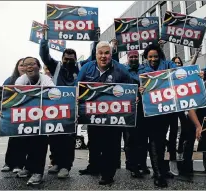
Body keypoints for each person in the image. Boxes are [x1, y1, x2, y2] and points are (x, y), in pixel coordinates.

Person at [39, 24, 95, 179]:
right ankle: (56, 162)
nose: (69, 61)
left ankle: (66, 166)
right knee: (55, 136)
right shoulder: (55, 66)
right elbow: (44, 55)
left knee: (69, 139)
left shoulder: (80, 66)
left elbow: (93, 57)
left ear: (76, 59)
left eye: (71, 59)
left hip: (73, 109)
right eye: (66, 59)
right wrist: (45, 37)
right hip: (55, 107)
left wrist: (95, 39)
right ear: (62, 59)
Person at [76, 41, 134, 185]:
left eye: (106, 53)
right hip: (93, 116)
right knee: (94, 143)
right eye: (100, 53)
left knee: (111, 145)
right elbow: (78, 86)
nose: (103, 56)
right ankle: (94, 167)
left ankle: (108, 174)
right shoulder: (86, 68)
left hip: (114, 117)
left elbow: (131, 89)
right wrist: (77, 97)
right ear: (95, 54)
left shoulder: (121, 70)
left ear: (111, 54)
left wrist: (135, 97)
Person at [138, 43, 177, 188]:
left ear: (160, 56)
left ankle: (161, 168)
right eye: (150, 57)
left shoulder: (167, 64)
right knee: (154, 140)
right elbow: (137, 84)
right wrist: (139, 88)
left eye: (155, 56)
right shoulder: (142, 69)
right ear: (146, 58)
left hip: (166, 111)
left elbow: (182, 73)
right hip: (151, 111)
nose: (153, 59)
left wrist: (196, 75)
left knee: (161, 140)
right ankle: (158, 173)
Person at [14, 56, 54, 185]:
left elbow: (54, 96)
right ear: (24, 69)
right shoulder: (20, 80)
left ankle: (38, 172)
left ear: (39, 67)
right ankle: (29, 168)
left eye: (32, 64)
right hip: (27, 119)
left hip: (43, 118)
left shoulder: (46, 80)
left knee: (40, 143)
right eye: (26, 64)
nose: (29, 66)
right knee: (27, 143)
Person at [123, 50, 150, 178]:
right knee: (130, 139)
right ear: (127, 58)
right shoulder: (123, 71)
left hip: (144, 109)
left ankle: (142, 164)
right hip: (129, 109)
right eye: (131, 57)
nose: (133, 59)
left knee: (143, 139)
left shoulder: (145, 69)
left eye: (135, 56)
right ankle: (132, 166)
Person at [1, 58, 27, 173]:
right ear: (17, 67)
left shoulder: (31, 80)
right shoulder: (9, 80)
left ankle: (19, 165)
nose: (23, 67)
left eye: (25, 65)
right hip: (13, 114)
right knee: (13, 139)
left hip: (28, 115)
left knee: (23, 140)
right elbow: (1, 95)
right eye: (21, 65)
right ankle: (8, 163)